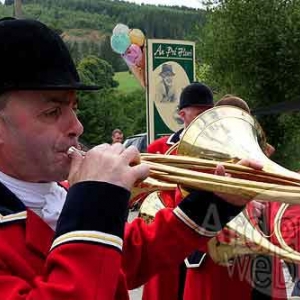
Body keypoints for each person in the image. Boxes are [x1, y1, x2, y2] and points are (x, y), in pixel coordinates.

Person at [0, 18, 257, 299]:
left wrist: (215, 203)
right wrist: (93, 203)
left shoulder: (57, 194)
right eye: (52, 112)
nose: (77, 127)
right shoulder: (69, 199)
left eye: (74, 108)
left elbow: (123, 259)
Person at [143, 82, 214, 300]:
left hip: (204, 235)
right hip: (168, 231)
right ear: (182, 114)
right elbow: (148, 191)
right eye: (199, 113)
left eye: (209, 114)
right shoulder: (159, 148)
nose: (205, 119)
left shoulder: (218, 147)